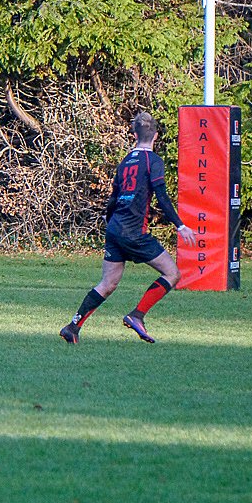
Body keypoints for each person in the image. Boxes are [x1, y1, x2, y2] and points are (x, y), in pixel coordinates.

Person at [60, 112, 197, 345]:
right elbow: (162, 196)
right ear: (156, 136)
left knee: (108, 283)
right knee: (172, 274)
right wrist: (180, 225)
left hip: (115, 229)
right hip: (134, 231)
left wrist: (109, 221)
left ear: (134, 135)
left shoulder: (125, 162)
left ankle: (72, 327)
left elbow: (113, 199)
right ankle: (137, 315)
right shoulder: (153, 161)